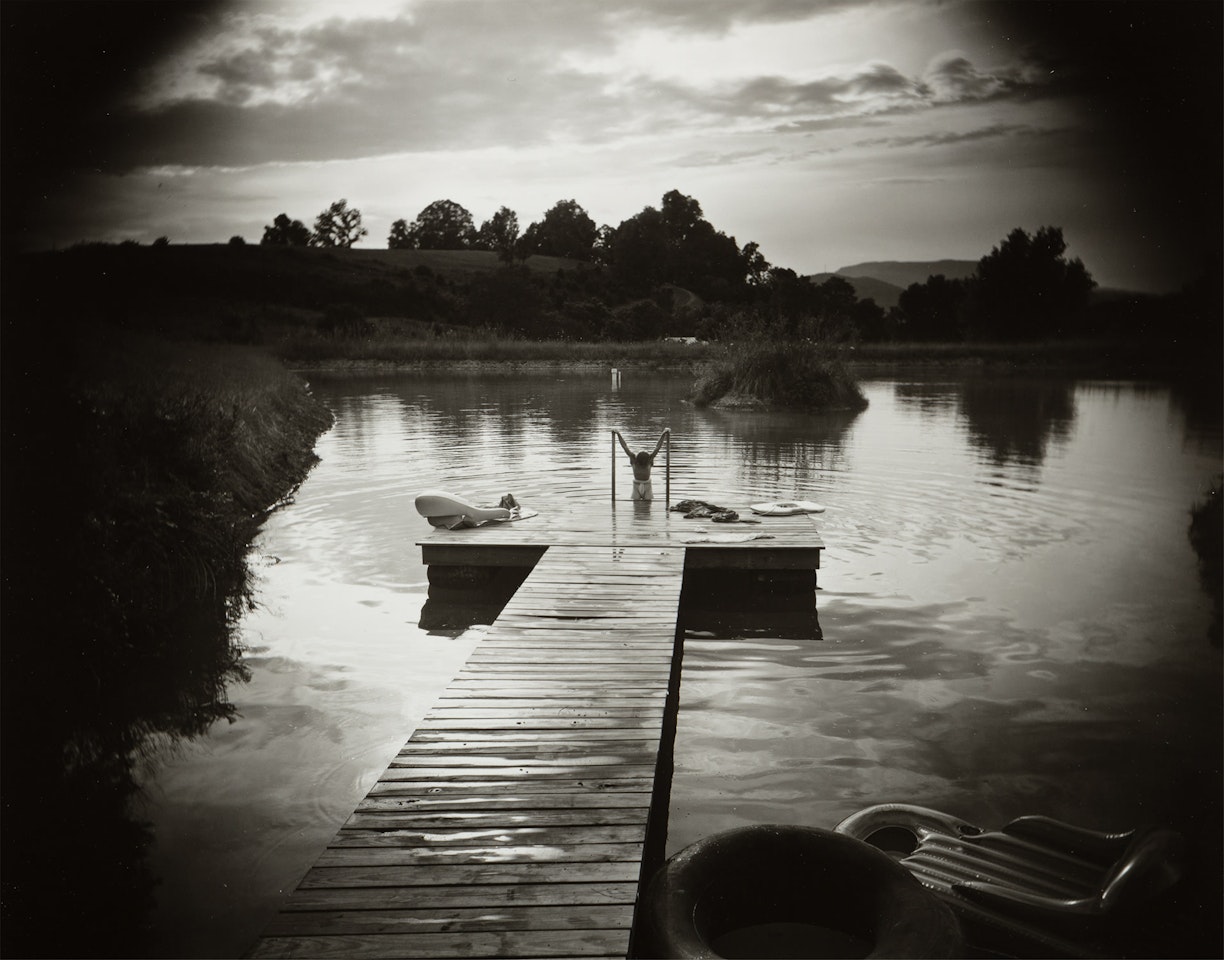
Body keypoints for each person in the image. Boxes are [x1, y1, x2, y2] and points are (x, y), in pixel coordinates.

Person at [614, 428, 669, 500]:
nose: (643, 463)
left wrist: (664, 433)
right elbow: (624, 446)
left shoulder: (648, 460)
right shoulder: (634, 460)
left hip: (647, 485)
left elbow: (658, 447)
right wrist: (618, 434)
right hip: (636, 485)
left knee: (647, 505)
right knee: (637, 505)